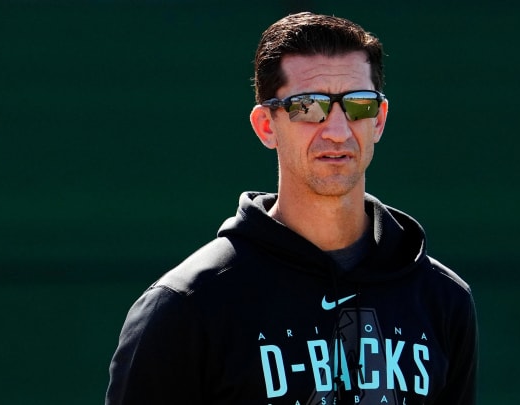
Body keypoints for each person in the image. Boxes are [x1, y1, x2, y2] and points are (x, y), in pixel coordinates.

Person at [106, 11, 478, 405]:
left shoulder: (442, 300)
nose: (337, 131)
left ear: (380, 120)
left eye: (359, 105)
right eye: (307, 106)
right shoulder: (187, 306)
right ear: (267, 125)